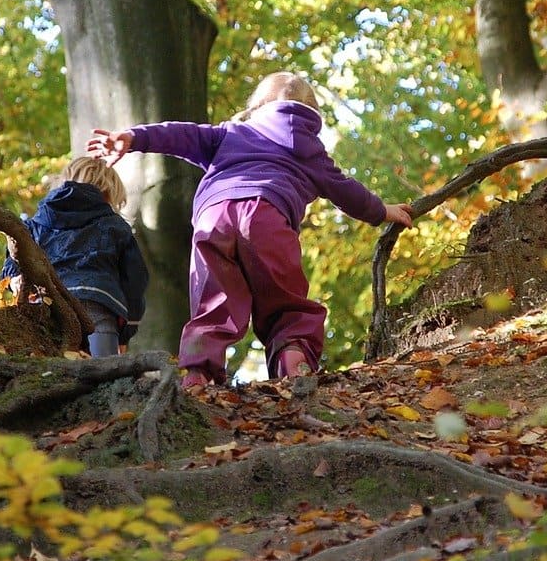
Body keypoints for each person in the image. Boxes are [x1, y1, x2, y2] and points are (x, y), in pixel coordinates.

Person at [87, 71, 412, 387]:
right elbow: (345, 190)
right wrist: (383, 210)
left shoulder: (230, 133)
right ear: (312, 114)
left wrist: (133, 138)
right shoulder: (310, 149)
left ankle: (198, 375)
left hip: (213, 219)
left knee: (211, 306)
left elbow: (181, 134)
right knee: (286, 304)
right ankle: (293, 362)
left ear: (255, 107)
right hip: (267, 216)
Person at [1, 157, 148, 357]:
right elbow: (135, 280)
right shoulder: (115, 225)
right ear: (108, 193)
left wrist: (15, 282)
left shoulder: (35, 224)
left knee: (48, 370)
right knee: (105, 375)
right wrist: (126, 332)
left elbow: (13, 261)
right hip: (97, 302)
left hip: (46, 302)